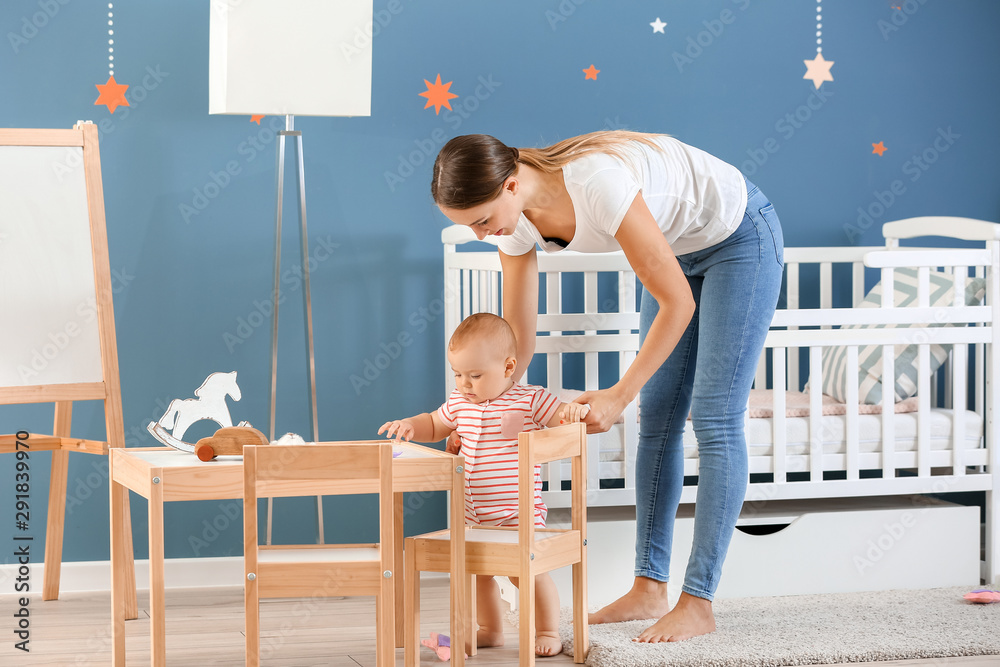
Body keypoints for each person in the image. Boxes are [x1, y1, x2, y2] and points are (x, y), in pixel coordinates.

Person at [430, 131, 783, 643]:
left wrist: (619, 394)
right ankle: (649, 586)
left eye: (481, 220)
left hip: (739, 236)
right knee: (658, 415)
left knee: (714, 417)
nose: (481, 234)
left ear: (511, 185)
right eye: (468, 226)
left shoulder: (599, 183)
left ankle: (699, 600)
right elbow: (516, 345)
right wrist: (483, 414)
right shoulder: (511, 223)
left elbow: (677, 304)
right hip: (679, 250)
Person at [379, 312, 589, 657]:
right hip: (475, 516)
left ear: (508, 368)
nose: (464, 383)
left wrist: (572, 414)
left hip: (517, 513)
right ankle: (489, 630)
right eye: (458, 374)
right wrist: (410, 426)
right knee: (478, 575)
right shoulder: (460, 402)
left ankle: (549, 629)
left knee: (526, 575)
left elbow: (560, 419)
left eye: (475, 375)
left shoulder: (530, 399)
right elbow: (434, 423)